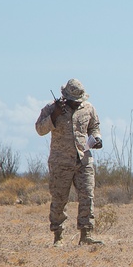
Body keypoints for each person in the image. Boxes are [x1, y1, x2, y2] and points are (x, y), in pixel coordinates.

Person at [35, 79, 104, 246]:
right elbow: (39, 129)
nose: (76, 103)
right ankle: (58, 236)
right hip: (60, 162)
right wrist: (55, 115)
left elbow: (94, 126)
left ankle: (86, 235)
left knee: (87, 196)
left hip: (83, 160)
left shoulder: (88, 108)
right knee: (59, 199)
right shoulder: (52, 108)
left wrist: (97, 138)